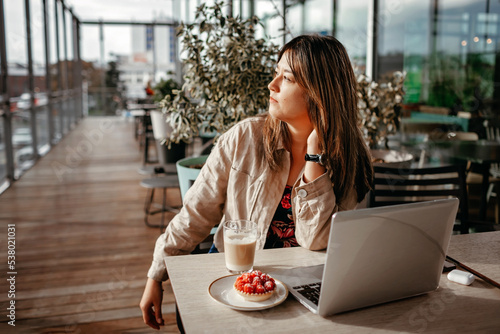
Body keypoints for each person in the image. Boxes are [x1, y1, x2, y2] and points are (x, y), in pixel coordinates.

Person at [139, 34, 373, 330]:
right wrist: (155, 276)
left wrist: (315, 159)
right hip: (237, 280)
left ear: (319, 92)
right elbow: (194, 216)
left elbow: (317, 241)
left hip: (307, 284)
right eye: (276, 73)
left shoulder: (350, 155)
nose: (272, 85)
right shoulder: (243, 139)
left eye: (286, 78)